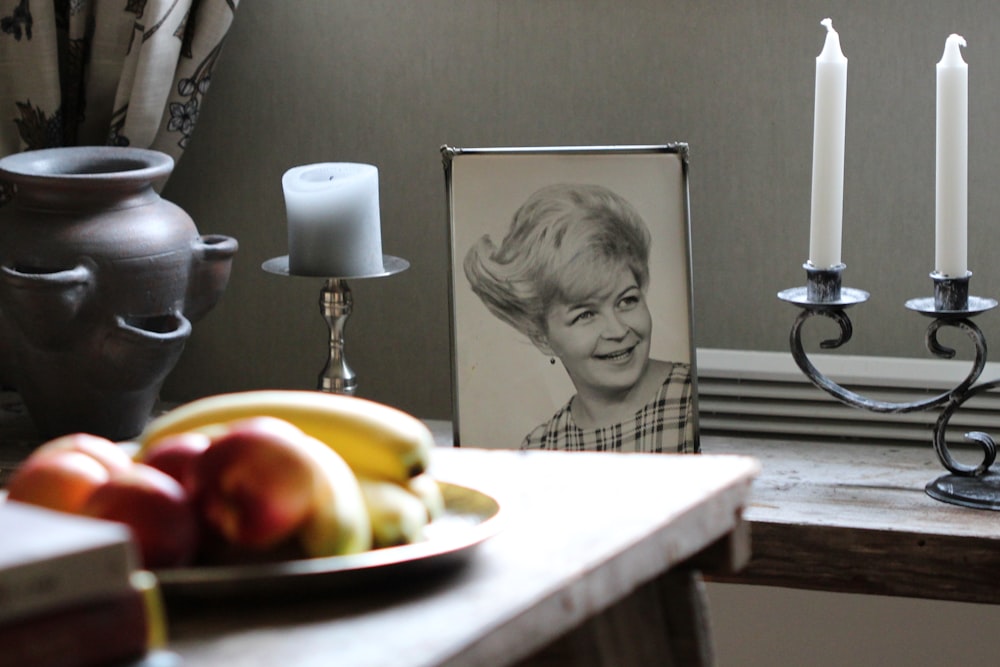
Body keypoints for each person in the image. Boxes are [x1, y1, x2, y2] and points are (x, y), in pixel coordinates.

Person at [463, 182, 696, 453]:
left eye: (627, 300)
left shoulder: (692, 402)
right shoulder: (543, 446)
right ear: (542, 337)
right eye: (586, 314)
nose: (617, 330)